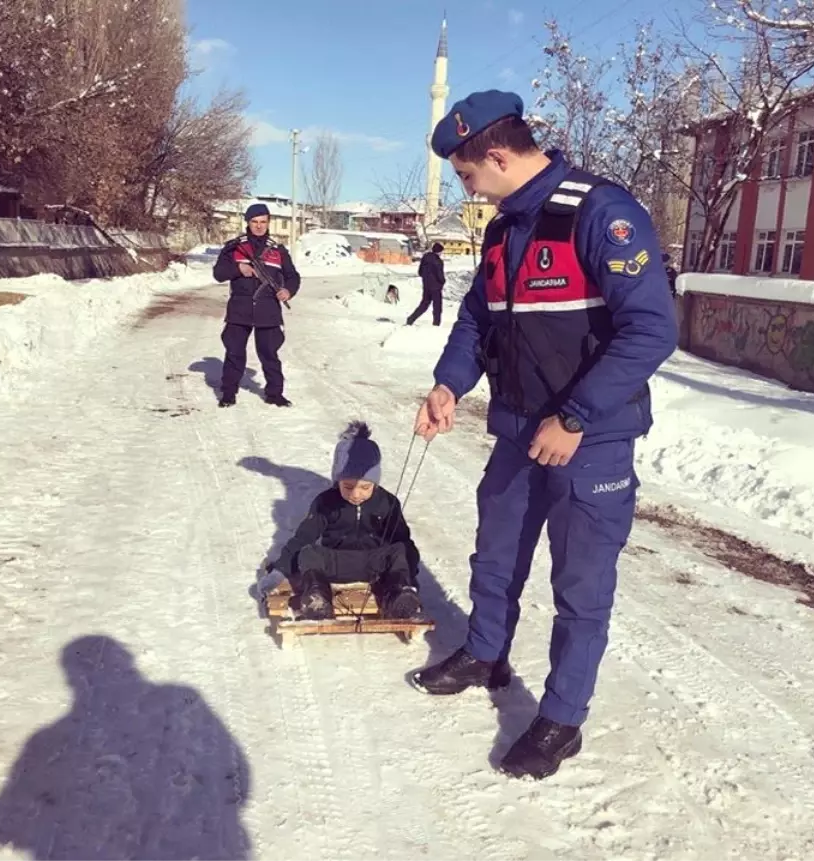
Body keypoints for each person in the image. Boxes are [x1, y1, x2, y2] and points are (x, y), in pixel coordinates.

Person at [410, 90, 678, 780]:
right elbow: (478, 317)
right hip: (517, 430)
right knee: (494, 555)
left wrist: (577, 416)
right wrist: (449, 383)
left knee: (581, 585)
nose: (468, 189)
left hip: (589, 440)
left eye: (468, 175)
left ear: (497, 156)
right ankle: (485, 650)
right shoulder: (503, 229)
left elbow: (651, 329)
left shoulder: (601, 214)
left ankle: (562, 717)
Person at [269, 421, 423, 621]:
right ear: (337, 479)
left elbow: (403, 541)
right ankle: (317, 599)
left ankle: (398, 596)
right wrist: (279, 570)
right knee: (308, 553)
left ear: (375, 483)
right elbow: (303, 537)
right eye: (348, 486)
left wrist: (409, 576)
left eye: (365, 487)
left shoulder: (387, 503)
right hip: (336, 562)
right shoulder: (326, 502)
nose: (356, 494)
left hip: (374, 564)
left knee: (399, 550)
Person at [213, 202, 300, 408]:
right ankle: (228, 393)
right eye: (254, 222)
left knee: (270, 354)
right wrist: (238, 269)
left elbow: (292, 276)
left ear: (269, 222)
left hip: (268, 310)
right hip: (239, 309)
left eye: (263, 222)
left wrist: (288, 290)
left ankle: (275, 394)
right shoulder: (234, 247)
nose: (259, 226)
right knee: (234, 352)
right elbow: (218, 274)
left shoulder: (278, 250)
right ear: (247, 222)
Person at [406, 241, 446, 326]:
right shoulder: (438, 261)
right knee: (437, 306)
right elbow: (440, 275)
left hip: (426, 286)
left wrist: (426, 278)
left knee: (424, 304)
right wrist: (442, 281)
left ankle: (411, 319)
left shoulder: (425, 258)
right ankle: (436, 323)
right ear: (439, 251)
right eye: (441, 251)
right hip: (436, 287)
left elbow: (420, 272)